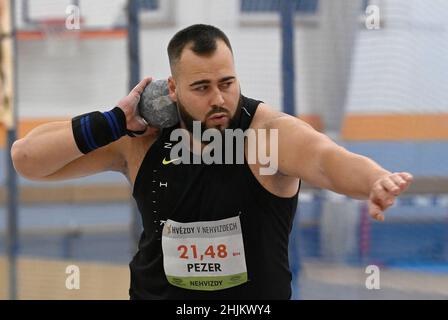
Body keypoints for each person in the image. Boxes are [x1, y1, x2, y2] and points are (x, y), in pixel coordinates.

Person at [11, 24, 413, 300]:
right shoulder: (140, 140)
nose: (218, 99)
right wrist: (113, 121)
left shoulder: (266, 135)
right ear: (172, 89)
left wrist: (375, 180)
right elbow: (28, 159)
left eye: (226, 83)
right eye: (201, 88)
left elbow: (328, 160)